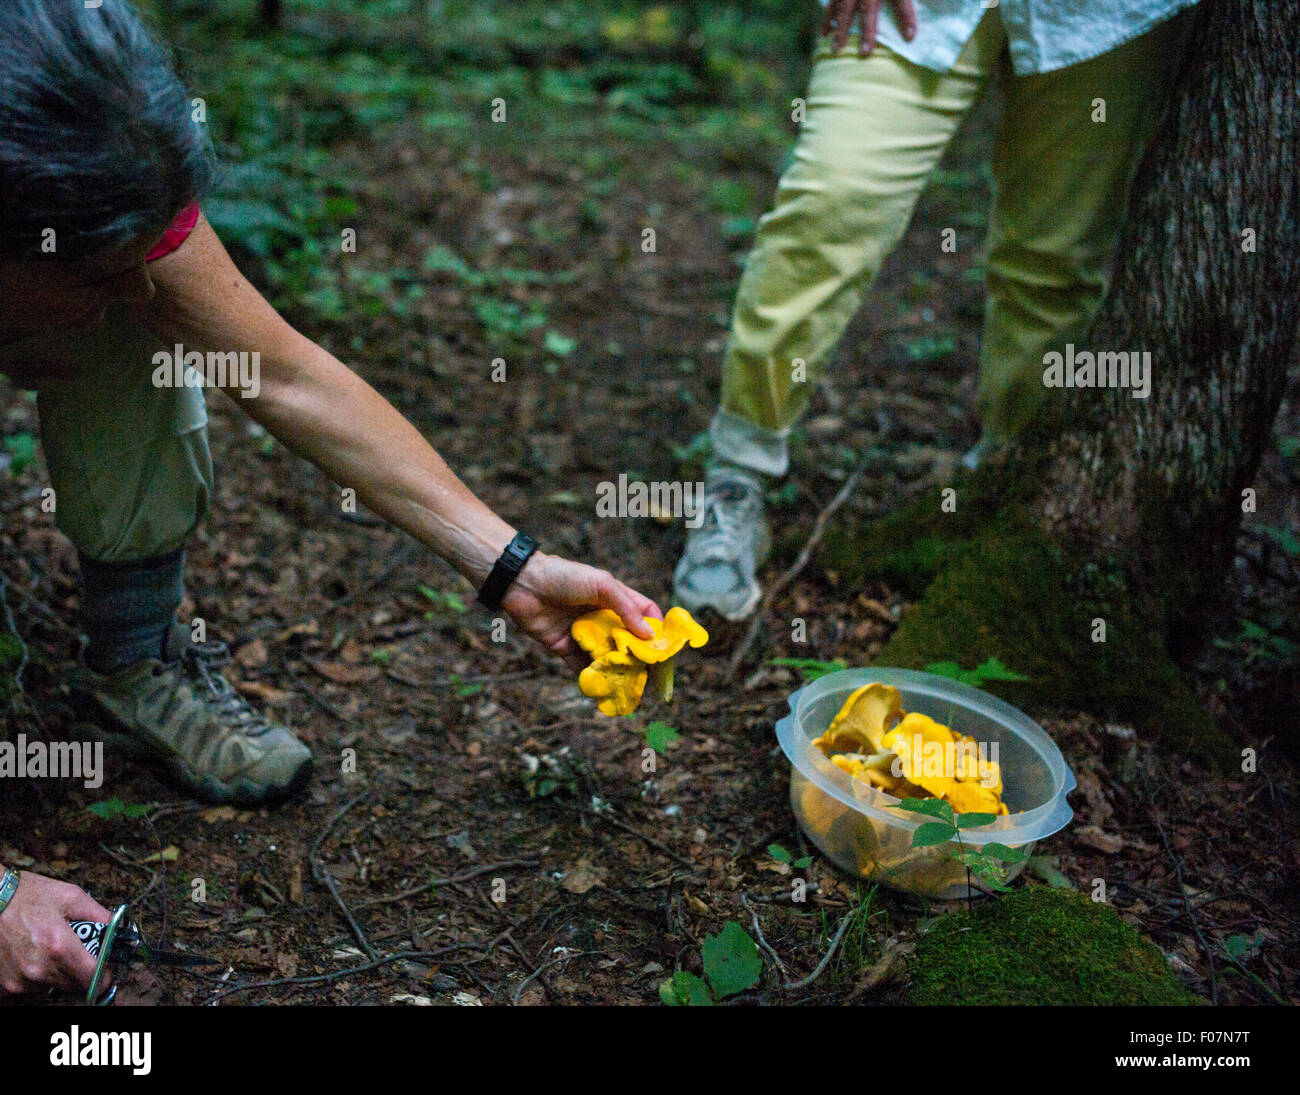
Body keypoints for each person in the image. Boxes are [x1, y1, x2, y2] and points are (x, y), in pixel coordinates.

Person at [0, 0, 663, 994]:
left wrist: (510, 567)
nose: (141, 285)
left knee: (140, 325)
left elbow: (285, 376)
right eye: (101, 268)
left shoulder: (90, 152)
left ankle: (133, 662)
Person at [673, 0, 1197, 621]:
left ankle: (1004, 489)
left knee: (1054, 260)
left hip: (1107, 17)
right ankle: (738, 475)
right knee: (831, 205)